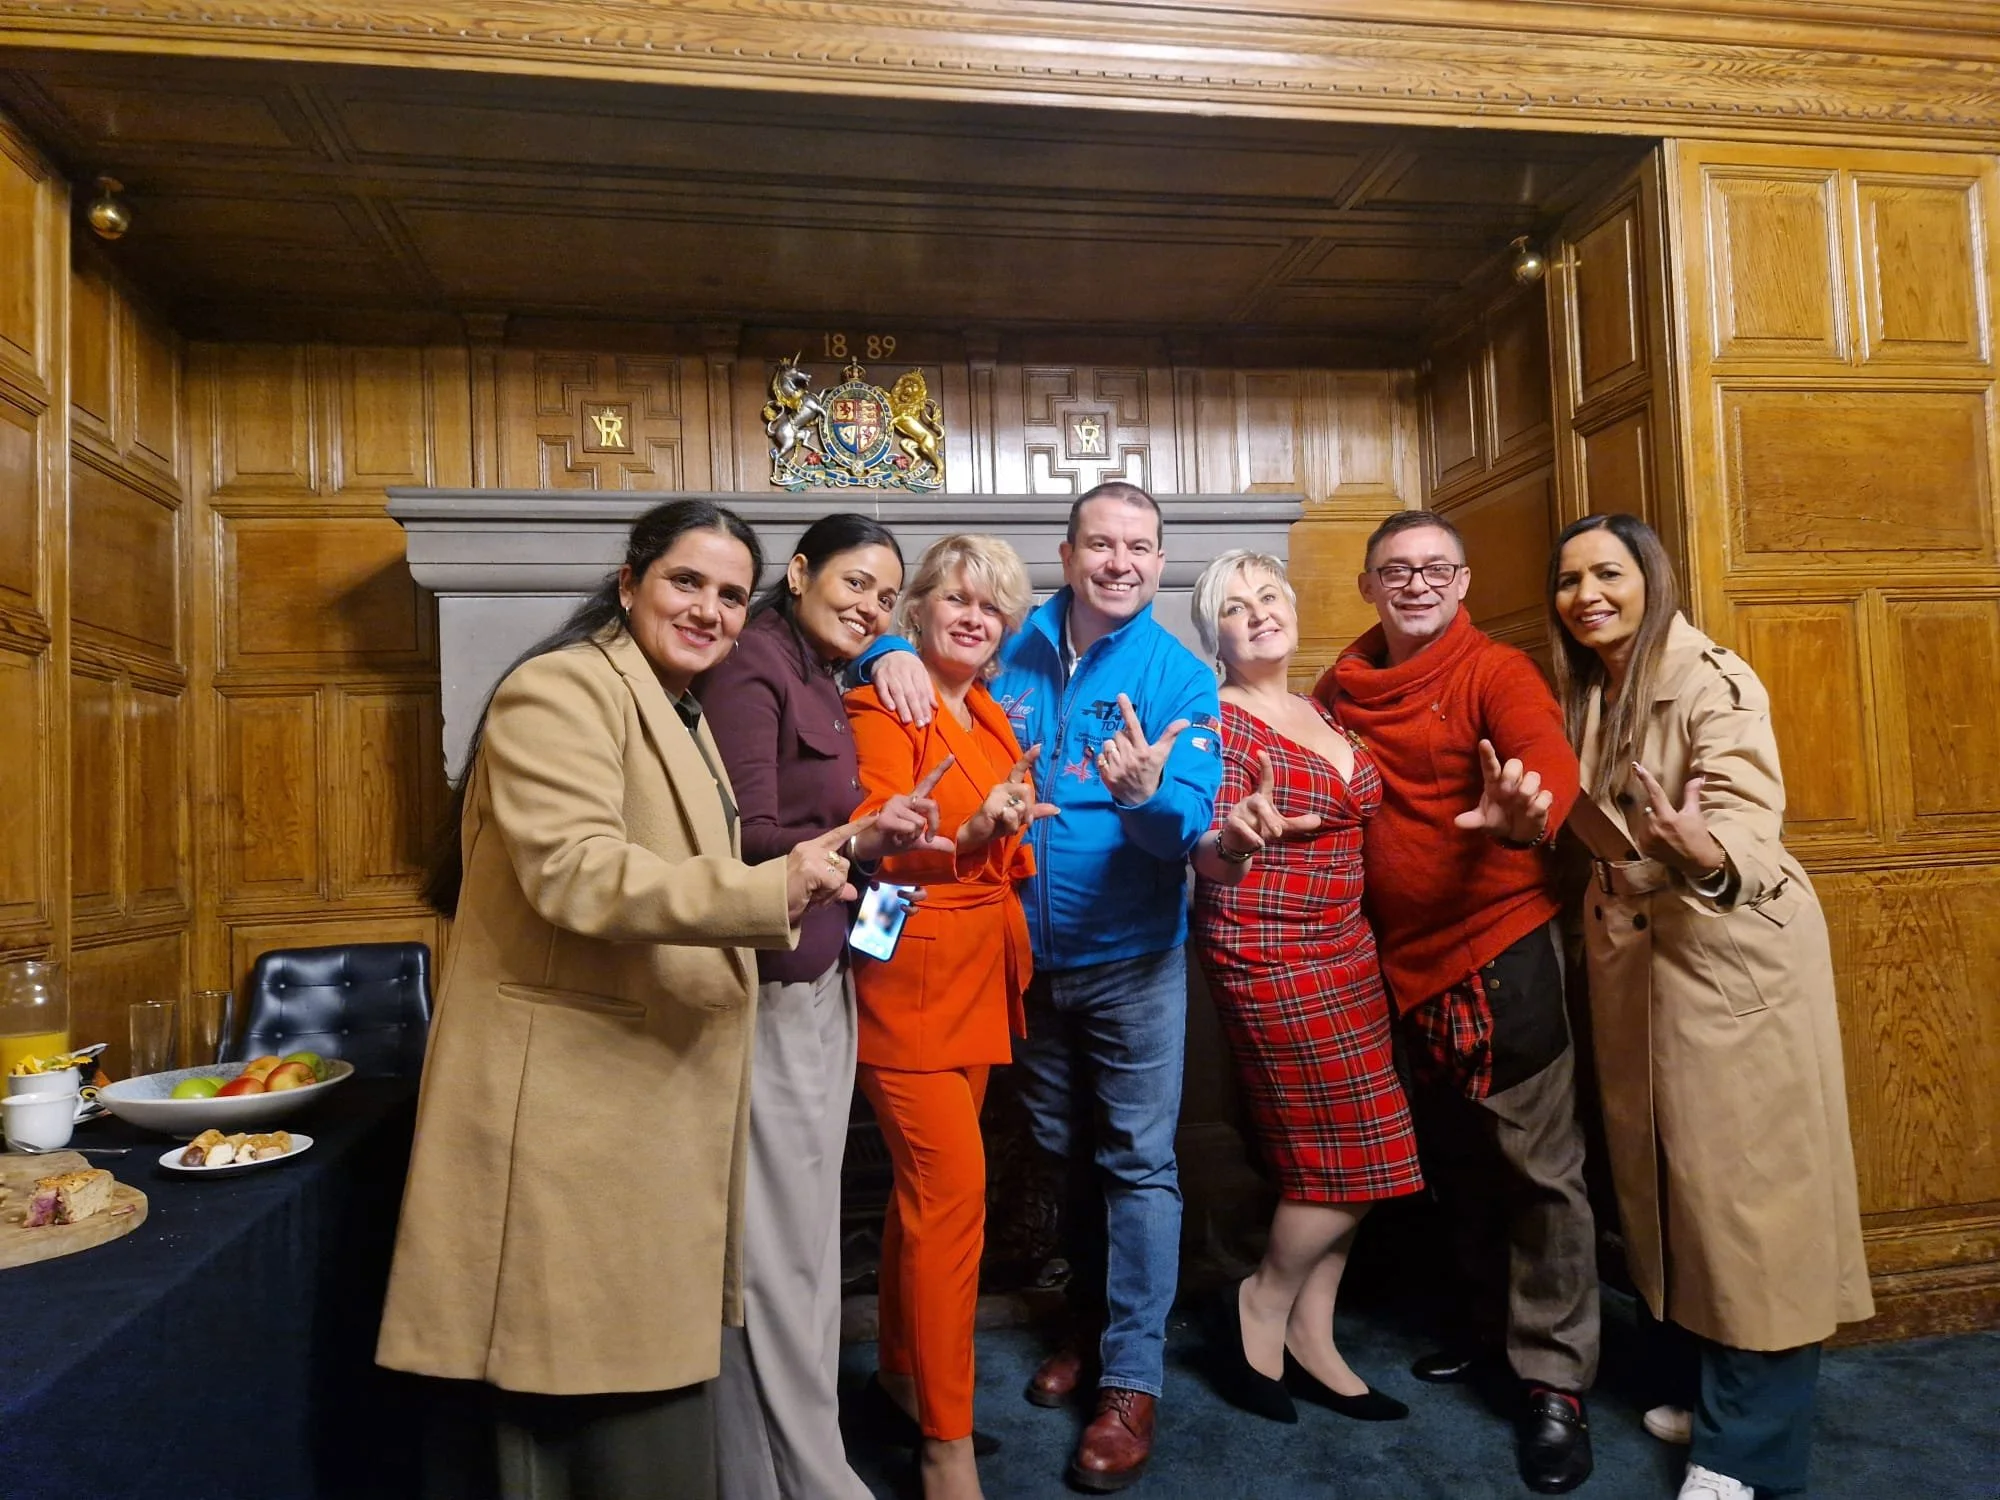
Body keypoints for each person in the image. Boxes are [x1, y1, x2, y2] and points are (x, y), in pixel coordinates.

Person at [377, 500, 867, 1500]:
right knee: (557, 1426)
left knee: (638, 1421)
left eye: (731, 595)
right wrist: (771, 888)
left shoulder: (672, 707)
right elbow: (577, 873)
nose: (709, 610)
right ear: (629, 582)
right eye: (687, 581)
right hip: (567, 1123)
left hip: (635, 1115)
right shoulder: (557, 691)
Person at [864, 480, 1222, 1493]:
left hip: (1131, 962)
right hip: (1011, 964)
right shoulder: (1004, 643)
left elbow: (1185, 828)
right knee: (1060, 1161)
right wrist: (881, 648)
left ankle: (1130, 1381)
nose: (1120, 562)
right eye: (1100, 544)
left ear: (1159, 563)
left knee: (1137, 1164)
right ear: (1066, 557)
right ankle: (1085, 1331)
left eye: (1140, 548)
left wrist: (1145, 798)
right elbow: (912, 659)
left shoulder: (1178, 677)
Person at [1546, 513, 1872, 1500]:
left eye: (1607, 573)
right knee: (1671, 1190)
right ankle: (1708, 1395)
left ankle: (1744, 1450)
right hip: (1644, 965)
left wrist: (1702, 849)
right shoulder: (1599, 686)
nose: (1585, 595)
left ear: (1650, 578)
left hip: (1726, 964)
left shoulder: (1710, 677)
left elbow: (1737, 815)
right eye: (1567, 581)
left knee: (1750, 1209)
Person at [1313, 507, 1599, 1495]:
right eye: (1396, 569)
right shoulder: (1341, 686)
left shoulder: (1495, 670)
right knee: (1458, 1162)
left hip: (1498, 947)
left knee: (1536, 1169)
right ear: (1367, 586)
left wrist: (1529, 811)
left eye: (1436, 569)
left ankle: (1553, 1385)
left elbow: (1543, 764)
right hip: (1392, 964)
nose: (1417, 583)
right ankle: (1491, 1337)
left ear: (1464, 583)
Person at [696, 513, 953, 1500]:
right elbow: (750, 842)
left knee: (802, 1246)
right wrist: (860, 837)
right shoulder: (753, 667)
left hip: (823, 973)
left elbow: (817, 831)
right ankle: (793, 1479)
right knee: (773, 1253)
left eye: (886, 597)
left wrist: (878, 841)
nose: (868, 606)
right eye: (853, 583)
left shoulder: (819, 667)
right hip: (771, 986)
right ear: (797, 571)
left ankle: (801, 1466)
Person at [1185, 551, 1425, 1427]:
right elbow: (1203, 840)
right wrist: (1233, 836)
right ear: (1213, 633)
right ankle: (1258, 1300)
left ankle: (1310, 1335)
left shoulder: (1322, 708)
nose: (1257, 615)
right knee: (1352, 1152)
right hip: (1268, 949)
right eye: (1234, 607)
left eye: (1269, 596)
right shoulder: (1214, 719)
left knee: (1344, 1156)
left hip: (1349, 951)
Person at [845, 534, 1056, 1500]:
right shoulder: (885, 699)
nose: (974, 617)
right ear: (917, 608)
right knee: (952, 1201)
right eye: (956, 598)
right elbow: (875, 842)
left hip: (978, 975)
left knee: (921, 1202)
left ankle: (899, 1371)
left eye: (993, 606)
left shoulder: (995, 719)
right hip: (911, 980)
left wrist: (1003, 829)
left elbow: (1002, 835)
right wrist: (968, 837)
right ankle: (947, 1444)